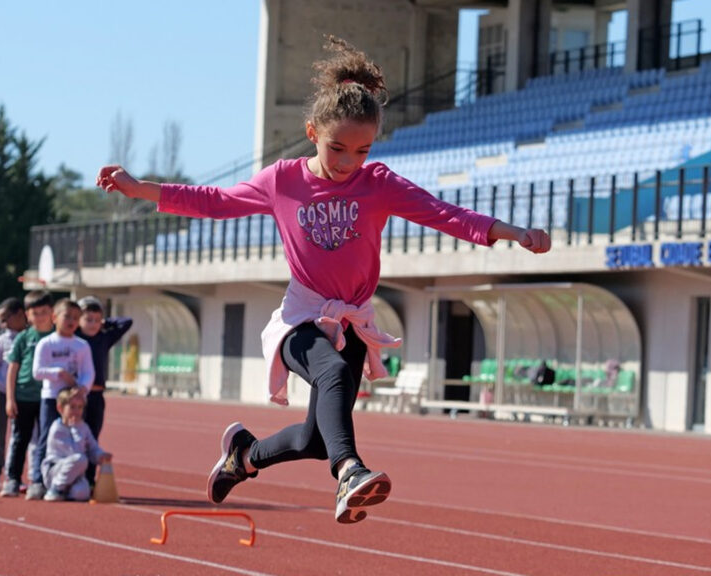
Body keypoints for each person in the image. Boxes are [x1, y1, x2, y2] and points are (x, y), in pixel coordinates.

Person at [96, 36, 551, 524]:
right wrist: (141, 188)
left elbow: (444, 214)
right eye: (336, 148)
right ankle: (350, 472)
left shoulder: (378, 183)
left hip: (352, 320)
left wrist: (515, 232)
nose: (347, 162)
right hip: (303, 317)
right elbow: (216, 201)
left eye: (361, 150)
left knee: (316, 438)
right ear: (312, 132)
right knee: (331, 376)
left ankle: (243, 456)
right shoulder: (283, 180)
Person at [30, 298, 95, 500]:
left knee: (79, 438)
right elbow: (37, 372)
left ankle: (78, 480)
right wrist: (58, 373)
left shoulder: (81, 345)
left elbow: (88, 372)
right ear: (55, 317)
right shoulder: (46, 343)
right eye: (67, 316)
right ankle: (38, 481)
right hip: (52, 398)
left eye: (76, 318)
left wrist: (81, 390)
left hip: (75, 400)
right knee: (46, 439)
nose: (72, 321)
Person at [75, 295, 132, 487]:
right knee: (75, 437)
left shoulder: (104, 338)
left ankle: (89, 480)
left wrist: (105, 322)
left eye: (96, 320)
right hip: (77, 395)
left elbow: (126, 322)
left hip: (97, 396)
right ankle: (73, 478)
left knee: (92, 438)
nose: (92, 324)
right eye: (88, 319)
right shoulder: (75, 338)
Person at [2, 290, 54, 498]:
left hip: (49, 397)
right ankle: (13, 479)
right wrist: (9, 398)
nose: (39, 316)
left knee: (45, 440)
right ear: (27, 315)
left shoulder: (57, 336)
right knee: (19, 439)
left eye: (44, 312)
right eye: (35, 313)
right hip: (23, 396)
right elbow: (13, 368)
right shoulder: (24, 337)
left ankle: (39, 481)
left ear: (52, 312)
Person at [0, 297, 27, 492]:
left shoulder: (31, 336)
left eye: (4, 318)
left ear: (19, 314)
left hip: (24, 393)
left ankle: (14, 475)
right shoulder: (2, 340)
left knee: (21, 435)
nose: (1, 324)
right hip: (1, 392)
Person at [41, 386, 112, 502]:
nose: (76, 411)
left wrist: (101, 456)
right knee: (81, 459)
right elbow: (75, 452)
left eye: (80, 407)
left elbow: (92, 447)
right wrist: (75, 428)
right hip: (56, 471)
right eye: (72, 407)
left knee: (82, 493)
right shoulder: (57, 429)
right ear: (60, 408)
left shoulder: (83, 427)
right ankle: (55, 489)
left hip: (76, 473)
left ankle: (66, 491)